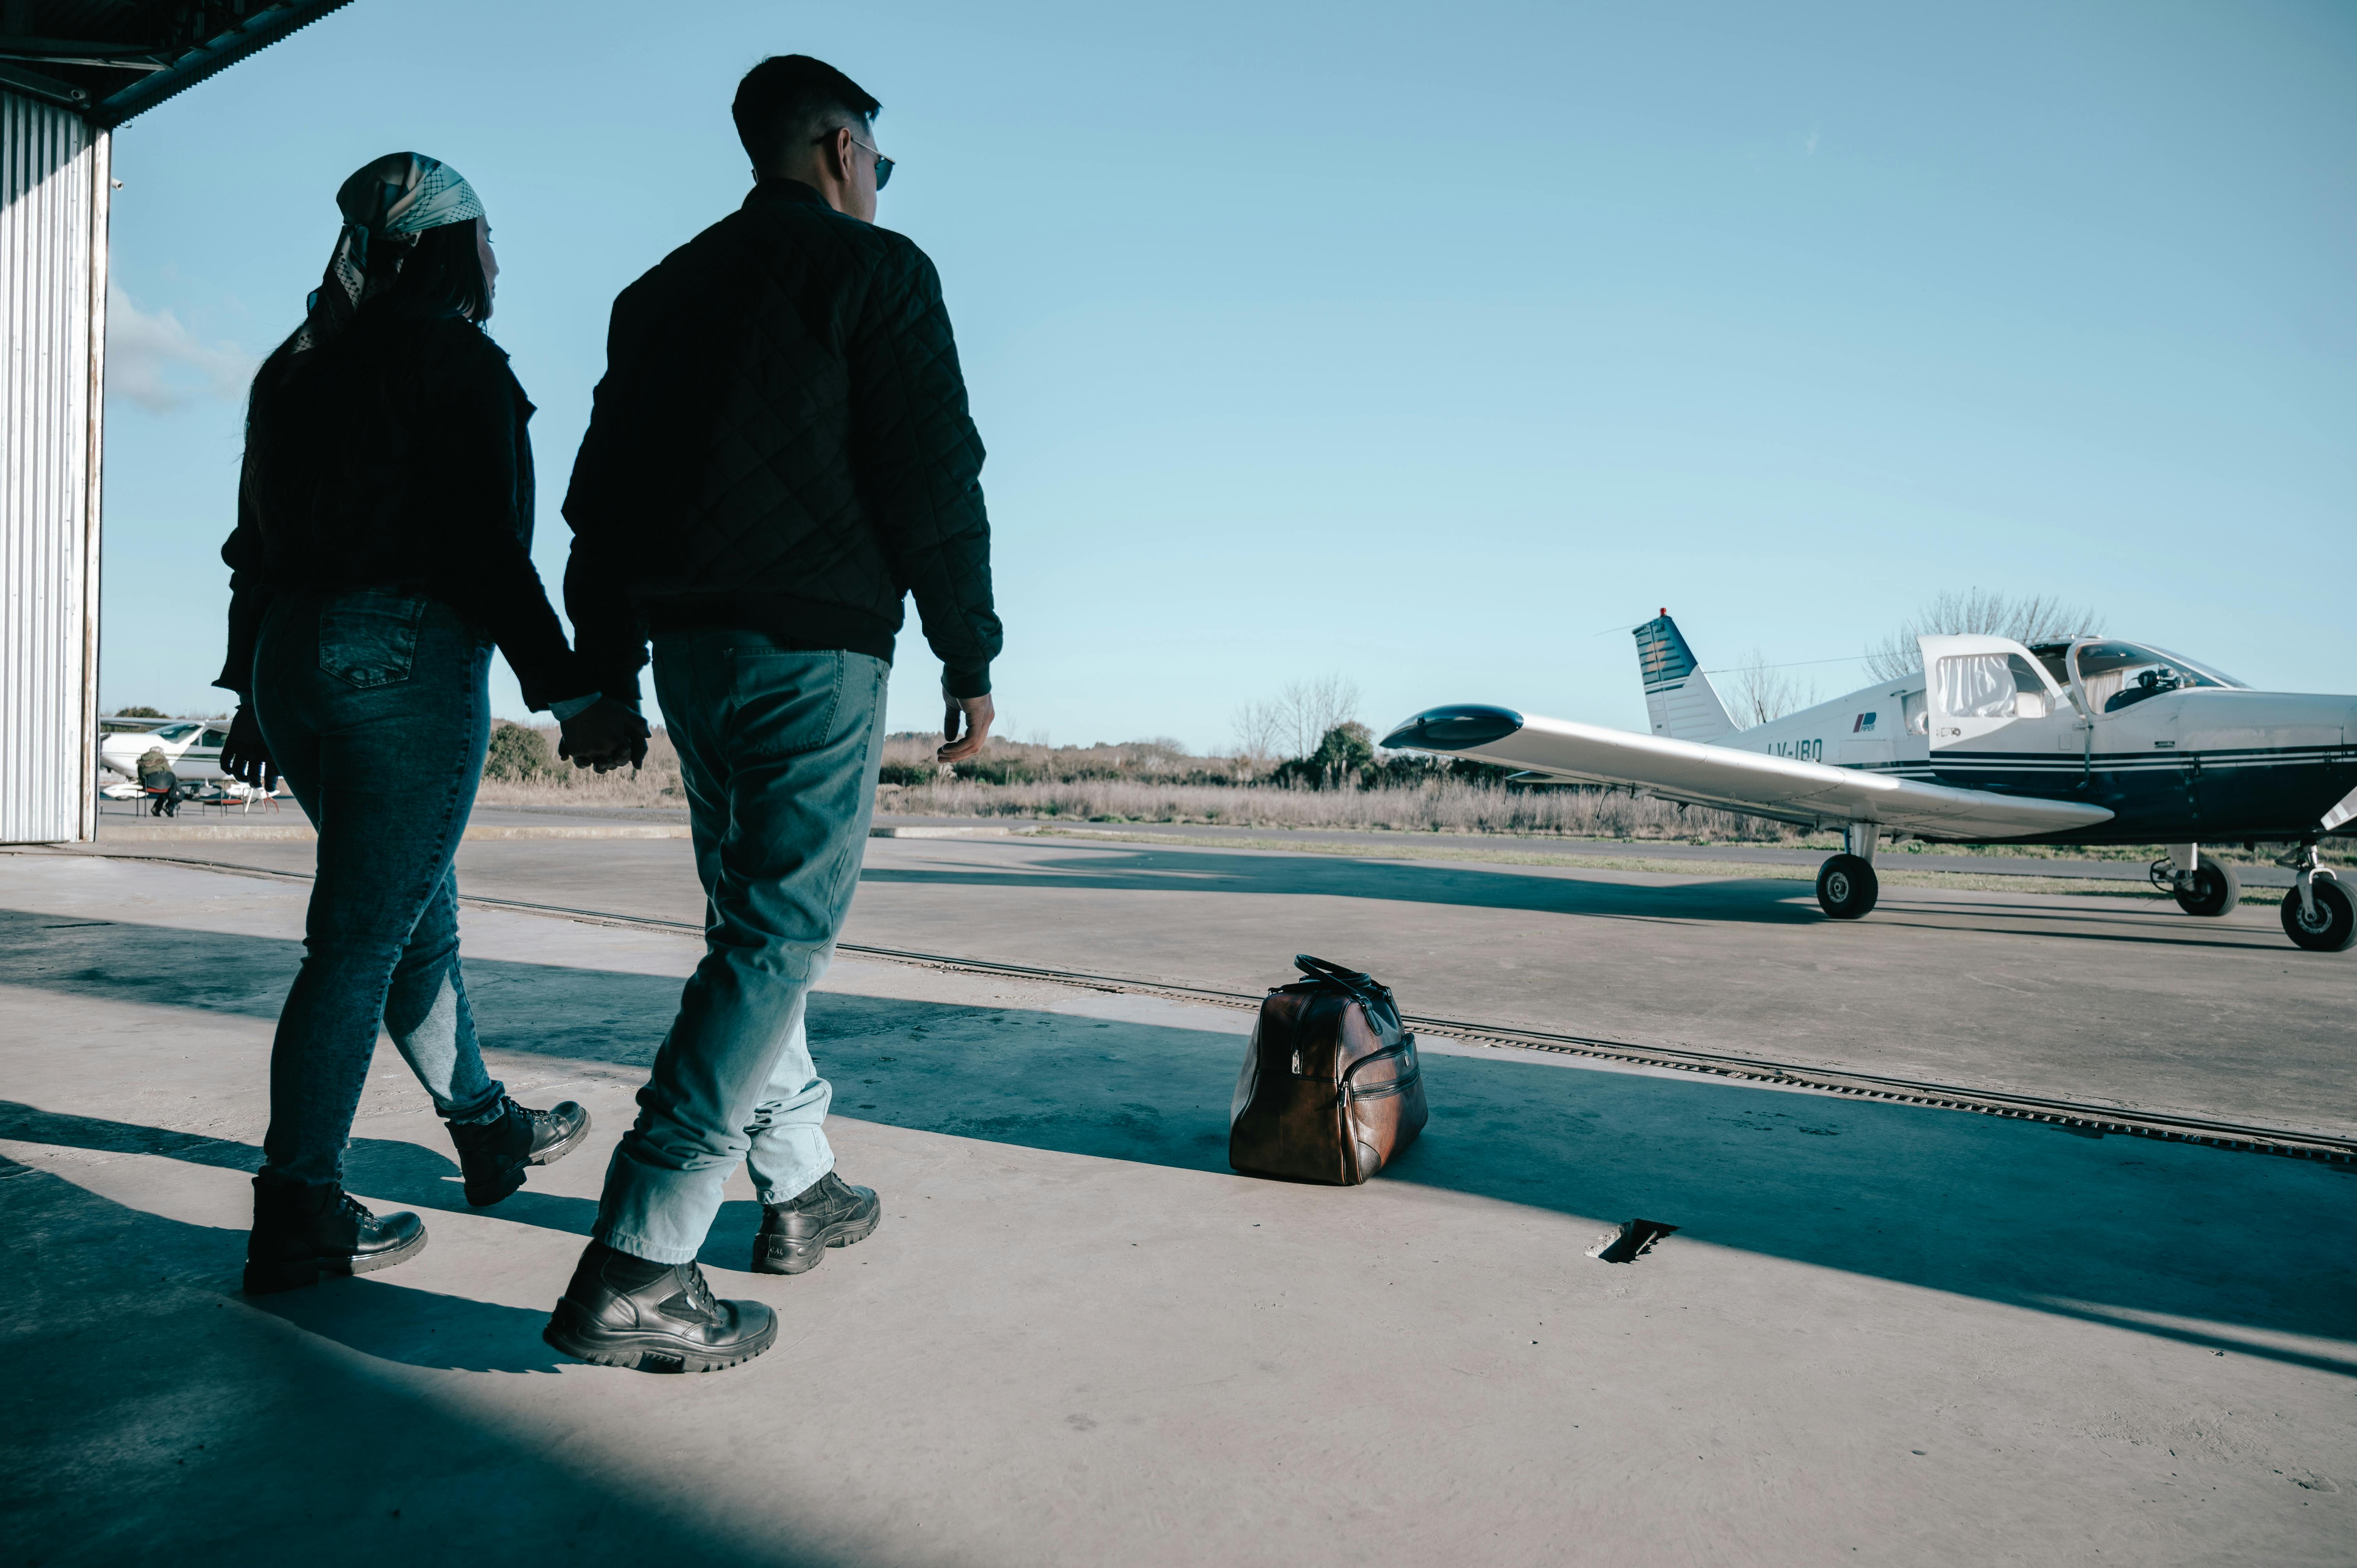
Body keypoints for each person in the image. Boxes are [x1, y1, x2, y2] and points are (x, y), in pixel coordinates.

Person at [544, 55, 1003, 1372]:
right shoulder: (880, 273)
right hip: (815, 649)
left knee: (747, 931)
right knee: (773, 942)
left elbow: (601, 502)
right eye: (878, 161)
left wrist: (608, 669)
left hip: (693, 653)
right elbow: (934, 476)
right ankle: (639, 1252)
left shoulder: (658, 294)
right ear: (841, 147)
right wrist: (968, 657)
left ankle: (799, 1183)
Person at [214, 152, 650, 1295]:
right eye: (489, 236)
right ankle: (299, 1212)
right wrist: (573, 694)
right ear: (452, 247)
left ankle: (487, 1129)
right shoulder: (456, 362)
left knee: (411, 921)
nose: (500, 258)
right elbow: (483, 549)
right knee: (358, 942)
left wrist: (243, 697)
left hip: (288, 662)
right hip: (398, 659)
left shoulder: (295, 370)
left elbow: (252, 544)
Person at [136, 745, 178, 816]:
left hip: (147, 785)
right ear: (160, 753)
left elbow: (140, 775)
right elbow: (170, 773)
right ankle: (168, 807)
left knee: (167, 789)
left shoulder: (142, 760)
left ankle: (158, 809)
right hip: (162, 785)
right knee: (174, 788)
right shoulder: (162, 759)